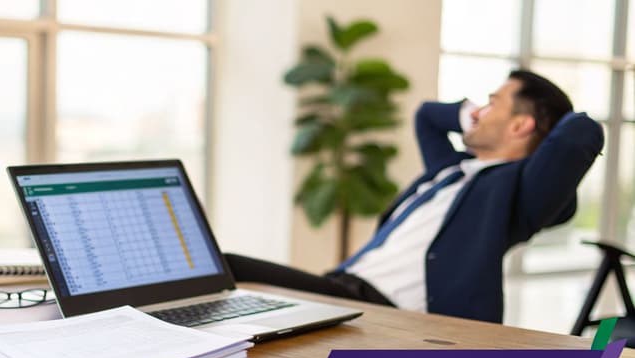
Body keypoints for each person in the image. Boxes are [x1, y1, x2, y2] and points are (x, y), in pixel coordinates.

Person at [225, 69, 604, 323]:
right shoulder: (449, 168)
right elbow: (426, 116)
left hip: (384, 311)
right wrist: (471, 114)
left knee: (226, 267)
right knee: (218, 268)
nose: (479, 112)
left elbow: (580, 134)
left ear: (521, 124)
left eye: (491, 103)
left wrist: (547, 119)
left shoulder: (519, 193)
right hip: (341, 286)